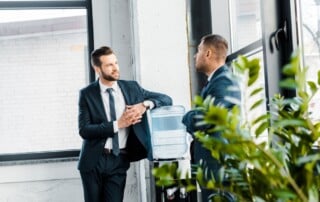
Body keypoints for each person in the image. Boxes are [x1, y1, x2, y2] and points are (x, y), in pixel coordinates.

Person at [77, 46, 172, 202]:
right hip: (94, 160)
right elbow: (84, 130)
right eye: (109, 65)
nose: (115, 68)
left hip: (119, 159)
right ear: (97, 69)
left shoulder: (131, 88)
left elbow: (166, 99)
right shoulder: (87, 94)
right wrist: (117, 124)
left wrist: (145, 105)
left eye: (116, 63)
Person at [182, 34, 241, 201]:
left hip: (219, 166)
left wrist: (187, 116)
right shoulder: (216, 81)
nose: (195, 55)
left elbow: (208, 118)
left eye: (198, 50)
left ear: (208, 53)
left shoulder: (224, 81)